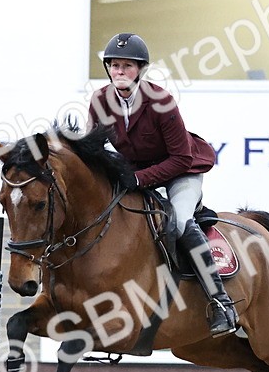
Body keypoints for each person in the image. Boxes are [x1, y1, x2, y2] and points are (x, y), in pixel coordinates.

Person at [86, 32, 237, 337]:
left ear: (140, 70)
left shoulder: (161, 102)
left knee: (179, 221)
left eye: (126, 66)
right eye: (114, 66)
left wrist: (140, 179)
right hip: (137, 170)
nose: (119, 72)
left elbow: (181, 158)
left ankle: (221, 302)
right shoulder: (100, 100)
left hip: (181, 170)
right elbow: (93, 150)